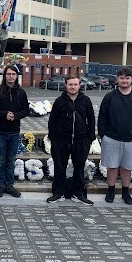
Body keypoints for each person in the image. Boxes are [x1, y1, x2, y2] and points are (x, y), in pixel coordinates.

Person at [98, 66, 132, 205]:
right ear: (117, 79)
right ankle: (111, 190)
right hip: (112, 139)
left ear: (131, 79)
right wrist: (103, 136)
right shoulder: (109, 97)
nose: (124, 80)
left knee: (127, 168)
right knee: (112, 167)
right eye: (121, 78)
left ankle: (126, 192)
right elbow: (102, 117)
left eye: (127, 78)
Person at [47, 74, 95, 206]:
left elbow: (91, 119)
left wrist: (90, 138)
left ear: (79, 85)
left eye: (75, 84)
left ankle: (78, 194)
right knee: (59, 167)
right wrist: (53, 138)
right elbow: (52, 121)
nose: (73, 87)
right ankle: (58, 193)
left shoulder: (86, 100)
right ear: (66, 86)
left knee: (79, 168)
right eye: (70, 84)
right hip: (61, 141)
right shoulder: (59, 101)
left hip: (80, 141)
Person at [0, 64, 30, 198]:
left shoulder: (21, 92)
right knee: (0, 161)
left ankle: (10, 185)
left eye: (13, 74)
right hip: (0, 132)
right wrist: (4, 114)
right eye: (9, 74)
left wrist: (16, 116)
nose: (11, 77)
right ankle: (1, 185)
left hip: (14, 132)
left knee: (11, 161)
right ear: (4, 75)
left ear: (17, 76)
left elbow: (26, 111)